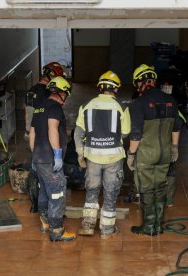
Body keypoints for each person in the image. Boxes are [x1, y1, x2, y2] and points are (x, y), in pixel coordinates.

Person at [127, 64, 184, 236]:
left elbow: (136, 134)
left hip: (146, 154)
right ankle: (158, 225)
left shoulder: (138, 103)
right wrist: (174, 147)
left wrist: (131, 154)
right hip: (165, 153)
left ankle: (148, 226)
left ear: (139, 83)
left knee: (146, 188)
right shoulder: (170, 100)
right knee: (160, 186)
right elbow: (177, 126)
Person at [74, 71, 131, 239]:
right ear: (116, 89)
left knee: (92, 190)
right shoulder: (122, 107)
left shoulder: (86, 105)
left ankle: (88, 225)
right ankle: (107, 229)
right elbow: (126, 133)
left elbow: (78, 134)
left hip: (92, 158)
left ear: (99, 87)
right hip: (113, 158)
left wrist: (80, 154)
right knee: (111, 192)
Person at [29, 76, 76, 242]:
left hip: (39, 157)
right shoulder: (55, 107)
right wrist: (57, 153)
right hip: (50, 158)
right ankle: (57, 230)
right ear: (62, 93)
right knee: (56, 192)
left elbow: (32, 133)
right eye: (66, 95)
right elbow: (52, 129)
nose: (66, 99)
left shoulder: (39, 107)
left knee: (44, 190)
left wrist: (34, 156)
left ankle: (45, 224)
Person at [24, 62, 64, 213]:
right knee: (48, 175)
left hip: (30, 134)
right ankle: (48, 209)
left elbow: (27, 114)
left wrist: (28, 133)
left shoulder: (30, 91)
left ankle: (35, 206)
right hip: (43, 137)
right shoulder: (49, 94)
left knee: (35, 171)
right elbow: (49, 121)